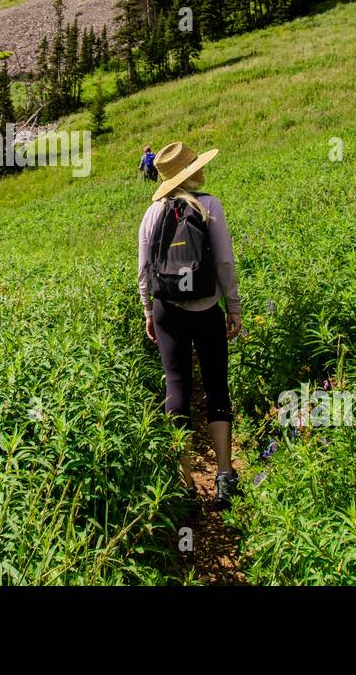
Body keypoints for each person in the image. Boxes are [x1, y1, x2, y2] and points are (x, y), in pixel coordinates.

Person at [137, 141, 242, 506]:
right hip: (206, 307)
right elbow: (225, 263)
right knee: (216, 384)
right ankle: (225, 475)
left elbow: (144, 270)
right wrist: (234, 306)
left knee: (176, 386)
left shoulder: (152, 213)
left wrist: (149, 311)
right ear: (191, 172)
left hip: (168, 308)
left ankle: (185, 483)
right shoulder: (209, 205)